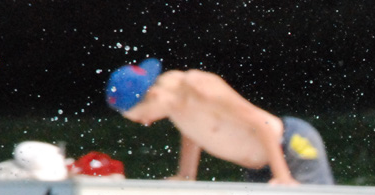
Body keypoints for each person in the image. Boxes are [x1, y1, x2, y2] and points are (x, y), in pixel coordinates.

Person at [105, 58, 334, 185]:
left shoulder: (199, 87)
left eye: (142, 116)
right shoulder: (174, 107)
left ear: (153, 96)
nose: (146, 123)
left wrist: (282, 177)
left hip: (291, 145)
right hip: (260, 167)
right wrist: (186, 177)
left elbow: (259, 123)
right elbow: (193, 133)